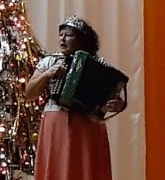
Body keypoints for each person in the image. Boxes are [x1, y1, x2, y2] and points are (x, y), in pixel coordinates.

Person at [25, 16, 125, 180]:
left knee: (85, 166)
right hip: (57, 123)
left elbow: (113, 98)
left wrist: (118, 105)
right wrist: (47, 74)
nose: (62, 39)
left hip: (88, 125)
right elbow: (29, 93)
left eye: (69, 35)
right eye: (61, 34)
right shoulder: (49, 62)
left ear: (81, 39)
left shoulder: (99, 65)